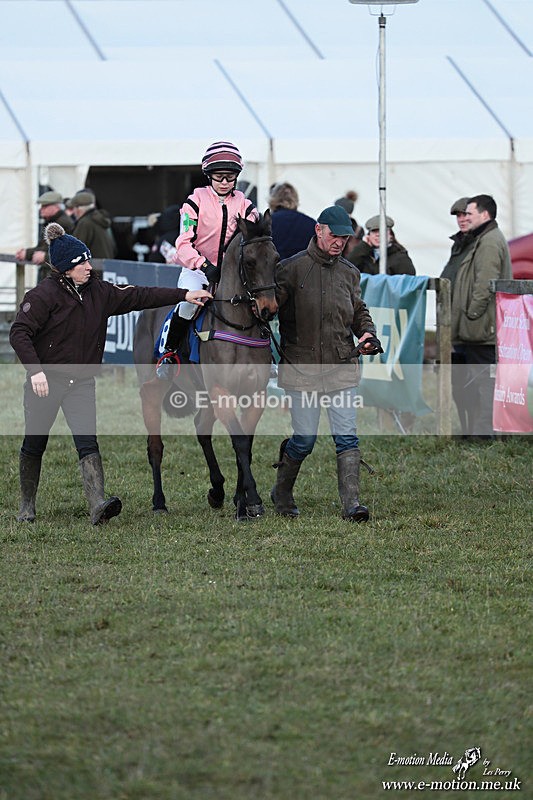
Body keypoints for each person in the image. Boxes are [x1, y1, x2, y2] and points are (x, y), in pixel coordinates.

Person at [9, 222, 211, 525]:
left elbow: (141, 295)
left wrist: (183, 295)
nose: (89, 267)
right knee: (35, 442)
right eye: (82, 263)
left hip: (81, 383)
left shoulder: (100, 292)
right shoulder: (41, 296)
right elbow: (19, 333)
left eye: (89, 261)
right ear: (66, 269)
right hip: (46, 381)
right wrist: (35, 371)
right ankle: (26, 507)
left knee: (87, 443)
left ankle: (97, 505)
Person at [272, 205, 382, 523]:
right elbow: (268, 310)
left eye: (344, 238)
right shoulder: (289, 269)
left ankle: (352, 504)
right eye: (334, 236)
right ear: (318, 230)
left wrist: (367, 333)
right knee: (304, 440)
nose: (339, 242)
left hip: (341, 366)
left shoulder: (350, 272)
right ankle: (281, 492)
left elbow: (358, 310)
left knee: (347, 437)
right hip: (301, 370)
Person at [158, 141, 258, 372]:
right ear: (208, 175)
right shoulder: (194, 202)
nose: (224, 182)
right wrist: (204, 265)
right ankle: (170, 352)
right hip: (198, 270)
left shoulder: (245, 205)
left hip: (232, 272)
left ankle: (266, 356)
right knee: (188, 305)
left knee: (257, 304)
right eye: (219, 176)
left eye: (230, 177)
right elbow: (183, 245)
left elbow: (256, 237)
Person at [450, 194, 512, 439]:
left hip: (481, 327)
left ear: (484, 215)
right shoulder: (483, 239)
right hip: (478, 325)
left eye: (470, 213)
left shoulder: (489, 242)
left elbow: (485, 283)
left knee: (485, 381)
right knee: (476, 381)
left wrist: (471, 314)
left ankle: (484, 433)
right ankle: (478, 431)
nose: (466, 217)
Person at [440, 197, 477, 437]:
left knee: (474, 383)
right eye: (458, 216)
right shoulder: (459, 245)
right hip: (455, 323)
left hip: (471, 323)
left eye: (465, 215)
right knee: (459, 383)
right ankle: (466, 429)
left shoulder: (479, 244)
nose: (461, 219)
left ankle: (476, 430)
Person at [15, 190, 75, 283]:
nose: (41, 209)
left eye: (45, 206)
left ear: (56, 207)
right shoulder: (52, 222)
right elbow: (43, 247)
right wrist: (27, 253)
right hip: (52, 276)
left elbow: (64, 252)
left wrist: (31, 254)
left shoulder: (61, 223)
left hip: (59, 278)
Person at [346, 215, 416, 275]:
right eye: (374, 231)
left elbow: (408, 283)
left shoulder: (401, 258)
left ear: (390, 235)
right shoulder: (364, 255)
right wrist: (363, 246)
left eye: (382, 231)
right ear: (369, 235)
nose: (378, 234)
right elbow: (347, 268)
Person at [268, 182, 316, 260]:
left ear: (273, 199)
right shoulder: (311, 223)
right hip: (302, 266)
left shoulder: (267, 222)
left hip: (274, 266)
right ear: (295, 198)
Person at [70, 190, 117, 260]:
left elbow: (75, 250)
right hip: (105, 264)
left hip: (93, 265)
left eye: (73, 208)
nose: (73, 212)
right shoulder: (101, 219)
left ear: (78, 209)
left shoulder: (85, 223)